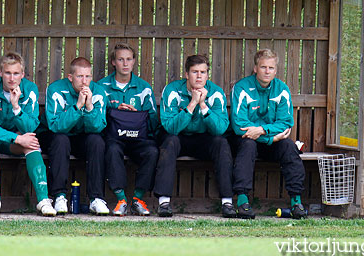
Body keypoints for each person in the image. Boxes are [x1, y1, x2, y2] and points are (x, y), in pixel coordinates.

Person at [153, 54, 235, 218]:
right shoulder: (172, 90)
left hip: (203, 139)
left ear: (207, 74)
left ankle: (227, 202)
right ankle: (163, 203)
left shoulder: (216, 93)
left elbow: (220, 128)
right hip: (178, 137)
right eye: (194, 72)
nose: (199, 76)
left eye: (203, 72)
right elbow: (170, 127)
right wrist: (192, 104)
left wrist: (203, 105)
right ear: (186, 74)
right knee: (169, 142)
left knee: (221, 143)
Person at [0, 52, 56, 217]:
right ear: (1, 73)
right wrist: (17, 138)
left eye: (16, 73)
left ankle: (43, 200)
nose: (12, 78)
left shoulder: (30, 89)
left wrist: (16, 107)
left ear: (23, 75)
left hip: (14, 140)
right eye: (8, 73)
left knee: (31, 141)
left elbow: (31, 126)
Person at [229, 49, 307, 219]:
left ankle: (296, 202)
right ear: (255, 68)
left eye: (270, 68)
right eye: (263, 67)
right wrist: (271, 137)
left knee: (288, 146)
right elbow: (239, 125)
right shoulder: (242, 87)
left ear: (275, 70)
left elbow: (286, 123)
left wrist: (263, 131)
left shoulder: (281, 89)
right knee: (248, 145)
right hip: (246, 140)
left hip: (271, 141)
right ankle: (242, 202)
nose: (267, 71)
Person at [40, 57, 109, 215]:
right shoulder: (56, 89)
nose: (85, 82)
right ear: (70, 77)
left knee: (97, 141)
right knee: (61, 140)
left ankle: (96, 198)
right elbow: (56, 126)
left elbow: (98, 127)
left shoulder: (98, 92)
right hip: (54, 135)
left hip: (81, 136)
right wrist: (78, 106)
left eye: (88, 77)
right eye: (79, 77)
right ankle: (59, 196)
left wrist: (90, 106)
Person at [97, 44, 158, 216]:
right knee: (112, 149)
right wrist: (115, 114)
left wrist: (136, 115)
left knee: (152, 151)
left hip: (138, 138)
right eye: (120, 59)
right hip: (115, 138)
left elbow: (153, 120)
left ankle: (138, 199)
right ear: (113, 62)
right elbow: (97, 119)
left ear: (134, 62)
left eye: (129, 59)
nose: (125, 63)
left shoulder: (143, 88)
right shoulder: (102, 87)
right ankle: (121, 200)